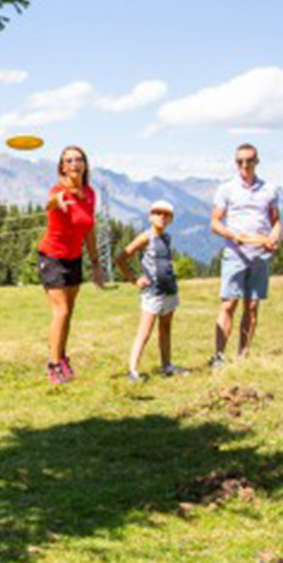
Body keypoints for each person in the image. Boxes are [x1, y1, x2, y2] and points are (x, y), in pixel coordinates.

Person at [36, 144, 107, 384]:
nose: (74, 164)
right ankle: (54, 365)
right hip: (52, 257)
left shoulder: (90, 194)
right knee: (61, 311)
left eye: (78, 159)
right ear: (62, 168)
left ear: (84, 165)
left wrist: (95, 264)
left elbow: (89, 230)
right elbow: (50, 203)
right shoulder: (57, 191)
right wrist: (58, 202)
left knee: (69, 313)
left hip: (74, 258)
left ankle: (62, 357)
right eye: (69, 161)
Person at [209, 142, 281, 367]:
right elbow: (214, 223)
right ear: (235, 163)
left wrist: (274, 238)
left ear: (256, 162)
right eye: (240, 161)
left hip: (260, 255)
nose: (244, 165)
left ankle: (243, 355)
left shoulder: (269, 189)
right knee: (229, 304)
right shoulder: (226, 189)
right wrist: (233, 235)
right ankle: (219, 356)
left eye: (249, 160)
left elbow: (276, 222)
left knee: (251, 306)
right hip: (235, 254)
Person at [117, 199, 185, 380]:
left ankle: (167, 365)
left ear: (171, 219)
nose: (162, 217)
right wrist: (134, 279)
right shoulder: (145, 237)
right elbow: (121, 258)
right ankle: (133, 371)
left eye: (166, 215)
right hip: (153, 292)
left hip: (169, 290)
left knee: (166, 329)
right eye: (158, 213)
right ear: (150, 216)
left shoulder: (167, 237)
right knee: (144, 332)